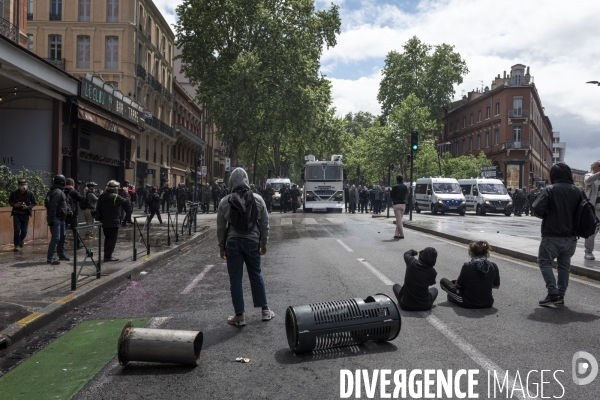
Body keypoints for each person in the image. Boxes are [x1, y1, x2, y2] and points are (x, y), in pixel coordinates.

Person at [217, 168, 273, 326]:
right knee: (256, 274)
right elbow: (264, 224)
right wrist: (264, 243)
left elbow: (221, 228)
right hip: (252, 241)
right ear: (247, 180)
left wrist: (221, 247)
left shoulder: (225, 201)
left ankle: (239, 316)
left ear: (231, 182)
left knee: (235, 279)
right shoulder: (258, 199)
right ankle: (265, 311)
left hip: (233, 243)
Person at [531, 163, 581, 306]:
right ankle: (560, 295)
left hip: (552, 234)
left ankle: (553, 293)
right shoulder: (578, 191)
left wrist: (548, 214)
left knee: (544, 262)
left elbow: (537, 208)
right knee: (564, 266)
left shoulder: (550, 190)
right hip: (571, 236)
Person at [440, 241, 500, 309]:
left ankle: (452, 297)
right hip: (488, 302)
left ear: (472, 253)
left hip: (468, 302)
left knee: (443, 281)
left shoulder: (467, 266)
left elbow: (458, 285)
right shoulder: (493, 266)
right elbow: (496, 286)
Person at [96, 180, 129, 261]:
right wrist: (126, 193)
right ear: (115, 189)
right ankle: (108, 256)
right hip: (113, 221)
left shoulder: (102, 196)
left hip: (104, 220)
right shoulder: (115, 197)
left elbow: (98, 207)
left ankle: (106, 255)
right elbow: (127, 202)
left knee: (107, 238)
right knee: (112, 239)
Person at [45, 174, 69, 264]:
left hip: (61, 218)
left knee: (62, 237)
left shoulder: (58, 191)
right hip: (56, 219)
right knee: (56, 238)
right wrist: (52, 219)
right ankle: (50, 257)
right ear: (62, 182)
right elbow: (52, 206)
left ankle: (61, 254)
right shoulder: (57, 192)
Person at [9, 178, 36, 251]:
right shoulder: (14, 193)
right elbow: (10, 201)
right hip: (16, 213)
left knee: (24, 231)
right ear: (18, 185)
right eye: (22, 184)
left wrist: (27, 207)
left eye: (25, 184)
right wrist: (15, 205)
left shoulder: (30, 193)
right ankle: (16, 245)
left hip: (25, 214)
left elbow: (34, 203)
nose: (24, 186)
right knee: (17, 229)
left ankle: (21, 239)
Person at [584, 160, 600, 260]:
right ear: (594, 168)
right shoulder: (589, 175)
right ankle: (588, 251)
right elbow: (588, 181)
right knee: (591, 231)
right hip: (594, 209)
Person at [391, 175, 408, 239]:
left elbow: (391, 195)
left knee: (399, 220)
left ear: (397, 180)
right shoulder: (405, 187)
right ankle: (396, 234)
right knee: (399, 219)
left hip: (396, 204)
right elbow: (406, 194)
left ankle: (402, 234)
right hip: (403, 204)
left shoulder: (395, 187)